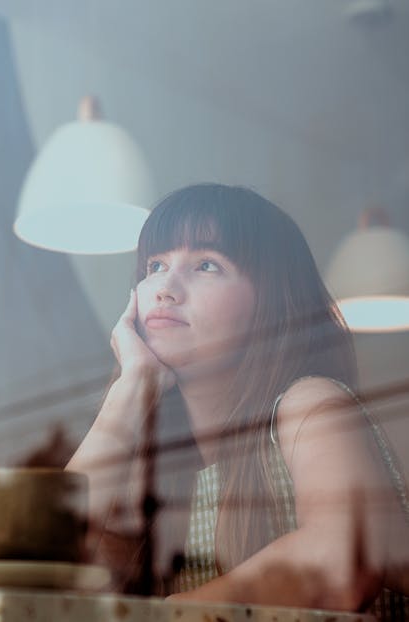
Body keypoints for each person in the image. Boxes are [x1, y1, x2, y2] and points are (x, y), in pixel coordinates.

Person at [66, 183, 409, 614]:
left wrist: (163, 614)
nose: (165, 288)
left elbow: (343, 560)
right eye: (155, 265)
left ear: (269, 300)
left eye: (206, 265)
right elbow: (36, 566)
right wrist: (132, 388)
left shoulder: (307, 403)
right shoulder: (160, 466)